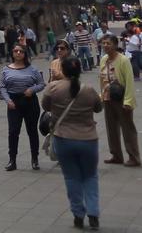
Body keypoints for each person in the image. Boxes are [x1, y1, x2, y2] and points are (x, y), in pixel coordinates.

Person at [43, 57, 102, 230]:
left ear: (63, 70)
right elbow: (98, 108)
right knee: (90, 176)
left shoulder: (53, 88)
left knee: (72, 177)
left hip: (64, 139)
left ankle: (78, 214)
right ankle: (93, 213)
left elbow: (46, 106)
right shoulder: (89, 90)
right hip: (88, 139)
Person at [0, 44, 45, 171]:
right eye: (15, 51)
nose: (18, 53)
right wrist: (8, 101)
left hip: (30, 101)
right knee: (13, 132)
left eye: (21, 51)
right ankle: (12, 160)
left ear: (25, 54)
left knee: (32, 131)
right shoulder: (6, 69)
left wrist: (32, 89)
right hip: (14, 103)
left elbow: (41, 84)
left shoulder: (32, 69)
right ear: (12, 53)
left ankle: (35, 159)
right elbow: (2, 86)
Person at [98, 33, 140, 167]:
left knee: (127, 129)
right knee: (111, 128)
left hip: (122, 98)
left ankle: (134, 157)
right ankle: (116, 155)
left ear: (115, 45)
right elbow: (102, 79)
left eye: (108, 43)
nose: (105, 46)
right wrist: (101, 95)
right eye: (103, 43)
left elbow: (129, 81)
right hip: (108, 98)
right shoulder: (103, 59)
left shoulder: (123, 60)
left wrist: (128, 101)